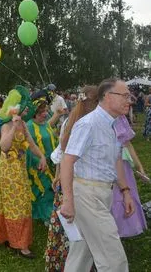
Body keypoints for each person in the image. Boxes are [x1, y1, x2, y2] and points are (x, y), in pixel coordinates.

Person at [60, 78, 135, 272]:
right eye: (125, 95)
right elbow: (67, 160)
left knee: (81, 255)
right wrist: (68, 200)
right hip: (88, 195)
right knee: (113, 260)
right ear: (108, 97)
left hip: (102, 193)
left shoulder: (114, 123)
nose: (130, 100)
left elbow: (116, 158)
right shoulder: (89, 124)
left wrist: (125, 191)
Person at [44, 85, 98, 272]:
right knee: (82, 227)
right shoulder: (90, 123)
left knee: (67, 228)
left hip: (67, 182)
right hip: (82, 183)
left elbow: (61, 153)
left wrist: (58, 176)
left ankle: (63, 263)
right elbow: (65, 154)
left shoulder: (69, 121)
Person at [0, 86, 47, 259]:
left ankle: (13, 238)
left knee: (22, 203)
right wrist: (13, 126)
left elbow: (31, 144)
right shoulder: (6, 125)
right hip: (8, 170)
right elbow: (4, 146)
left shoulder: (23, 124)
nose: (26, 110)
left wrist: (42, 157)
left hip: (19, 169)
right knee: (14, 204)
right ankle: (19, 244)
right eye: (23, 107)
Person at [26, 92, 62, 224]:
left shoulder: (45, 124)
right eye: (42, 112)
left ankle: (51, 213)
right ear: (35, 112)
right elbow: (28, 149)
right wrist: (39, 162)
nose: (45, 114)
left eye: (46, 111)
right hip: (39, 166)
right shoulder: (29, 126)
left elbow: (51, 137)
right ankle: (47, 216)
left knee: (53, 190)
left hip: (52, 163)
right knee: (44, 191)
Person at [111, 115, 148, 237]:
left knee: (125, 195)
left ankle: (124, 228)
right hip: (105, 167)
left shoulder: (120, 118)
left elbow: (128, 144)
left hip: (123, 166)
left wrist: (140, 167)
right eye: (124, 96)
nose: (128, 101)